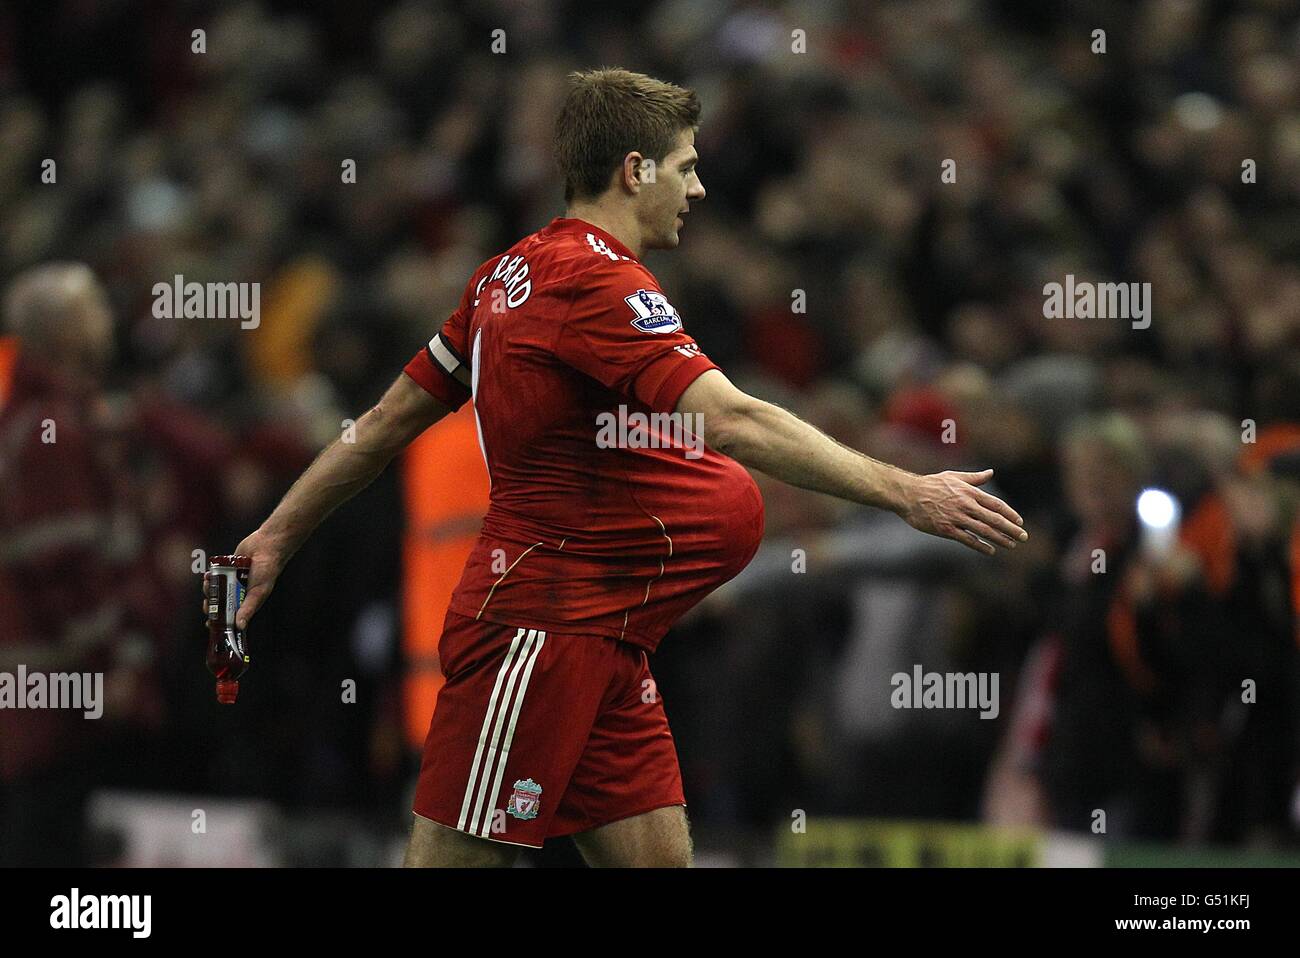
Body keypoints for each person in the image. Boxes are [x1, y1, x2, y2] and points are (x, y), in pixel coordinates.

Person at [216, 68, 1028, 868]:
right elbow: (733, 419)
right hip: (538, 628)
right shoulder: (594, 281)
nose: (699, 189)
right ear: (634, 171)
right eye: (686, 167)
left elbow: (385, 423)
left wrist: (279, 534)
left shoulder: (509, 274)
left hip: (606, 634)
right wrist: (905, 491)